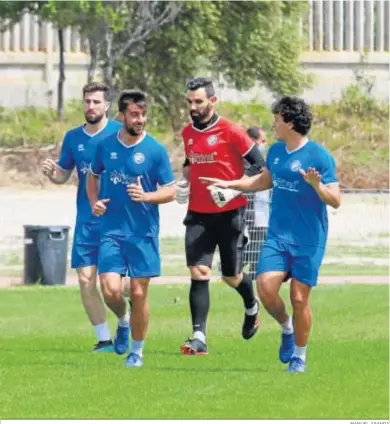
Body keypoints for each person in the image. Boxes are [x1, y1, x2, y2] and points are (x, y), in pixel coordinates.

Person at [200, 96, 341, 372]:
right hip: (278, 236)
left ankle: (299, 356)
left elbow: (335, 200)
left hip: (309, 240)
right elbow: (263, 180)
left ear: (289, 121)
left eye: (277, 118)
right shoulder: (276, 151)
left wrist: (316, 186)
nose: (273, 123)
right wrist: (229, 185)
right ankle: (287, 327)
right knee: (265, 288)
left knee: (300, 298)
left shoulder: (319, 156)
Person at [176, 77, 265, 356]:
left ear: (212, 101)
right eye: (189, 101)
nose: (193, 106)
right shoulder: (187, 133)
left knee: (231, 276)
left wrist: (233, 188)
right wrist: (183, 184)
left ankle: (252, 305)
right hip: (198, 214)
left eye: (198, 101)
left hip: (230, 213)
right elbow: (192, 162)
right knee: (199, 272)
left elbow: (260, 166)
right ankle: (198, 337)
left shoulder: (232, 130)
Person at [87, 89, 176, 368]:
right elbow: (93, 177)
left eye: (143, 114)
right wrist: (94, 202)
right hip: (112, 230)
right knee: (111, 290)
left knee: (138, 293)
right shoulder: (105, 146)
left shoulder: (155, 150)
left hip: (143, 233)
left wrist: (147, 196)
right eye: (134, 114)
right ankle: (123, 320)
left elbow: (171, 191)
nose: (140, 119)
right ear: (122, 115)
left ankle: (137, 351)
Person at [41, 82, 123, 353]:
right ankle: (103, 340)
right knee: (86, 280)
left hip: (117, 221)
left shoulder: (120, 134)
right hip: (87, 221)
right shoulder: (73, 138)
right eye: (87, 101)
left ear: (107, 105)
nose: (90, 106)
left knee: (111, 285)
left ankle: (125, 322)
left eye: (96, 102)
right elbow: (64, 175)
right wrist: (53, 174)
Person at [243, 127, 269, 280]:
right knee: (259, 239)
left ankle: (253, 270)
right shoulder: (248, 161)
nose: (265, 144)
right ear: (253, 141)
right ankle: (237, 264)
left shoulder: (260, 159)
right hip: (252, 207)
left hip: (261, 205)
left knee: (260, 240)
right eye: (262, 141)